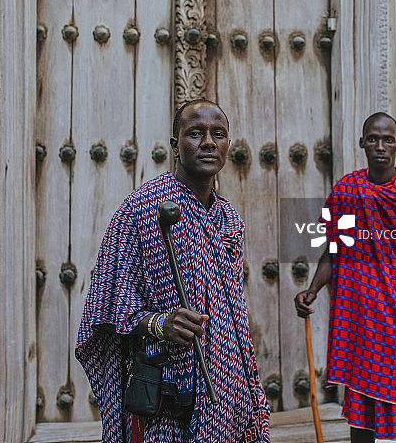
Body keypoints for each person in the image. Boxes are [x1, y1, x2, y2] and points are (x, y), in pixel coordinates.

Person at [77, 99, 270, 443]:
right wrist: (160, 323)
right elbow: (103, 309)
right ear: (175, 145)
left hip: (227, 396)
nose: (208, 142)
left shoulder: (229, 221)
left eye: (218, 134)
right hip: (167, 401)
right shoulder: (140, 210)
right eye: (195, 133)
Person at [294, 113, 396, 443]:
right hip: (366, 326)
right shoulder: (347, 190)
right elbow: (336, 249)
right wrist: (313, 290)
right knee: (361, 426)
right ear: (361, 143)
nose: (380, 146)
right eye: (373, 139)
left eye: (388, 139)